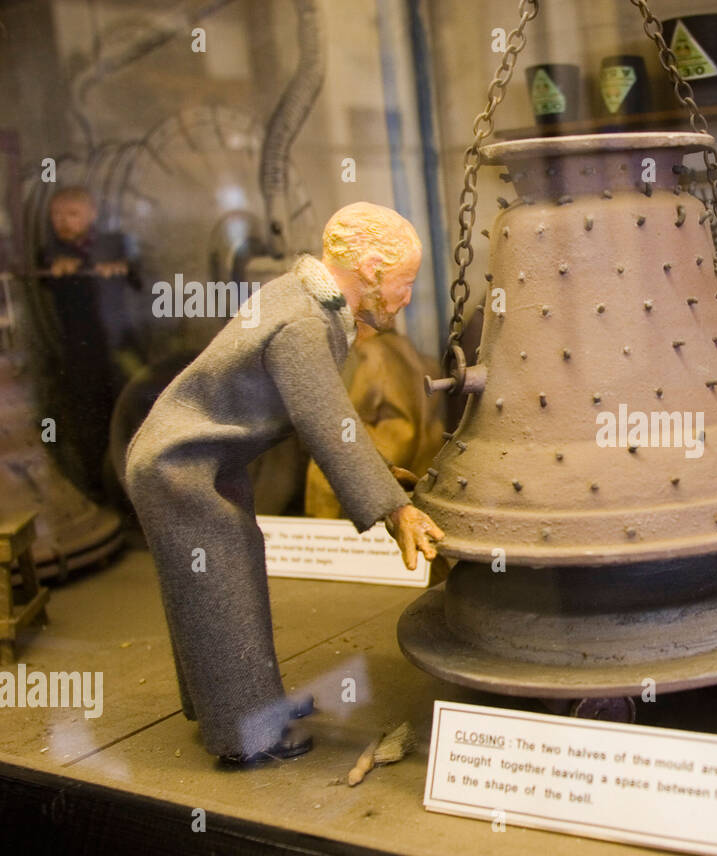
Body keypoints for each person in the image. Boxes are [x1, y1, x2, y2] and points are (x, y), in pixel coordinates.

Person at [125, 201, 443, 764]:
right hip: (180, 467)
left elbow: (322, 414)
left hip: (199, 462)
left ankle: (244, 706)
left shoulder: (300, 296)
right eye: (406, 282)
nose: (407, 297)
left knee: (222, 585)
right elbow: (327, 425)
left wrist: (378, 473)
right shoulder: (303, 324)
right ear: (371, 270)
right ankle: (245, 738)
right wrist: (395, 510)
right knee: (220, 592)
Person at [38, 186, 144, 496]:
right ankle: (101, 490)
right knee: (90, 422)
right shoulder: (50, 253)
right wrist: (58, 267)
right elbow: (43, 272)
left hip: (120, 347)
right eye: (57, 215)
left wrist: (120, 266)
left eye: (72, 214)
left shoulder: (116, 244)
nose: (63, 221)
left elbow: (138, 275)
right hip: (81, 355)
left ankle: (139, 485)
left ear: (92, 214)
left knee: (133, 410)